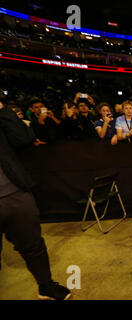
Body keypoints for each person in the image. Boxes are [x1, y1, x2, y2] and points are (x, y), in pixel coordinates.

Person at [0, 101, 71, 300]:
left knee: (33, 246)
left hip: (15, 192)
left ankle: (45, 286)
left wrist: (1, 109)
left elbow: (24, 138)